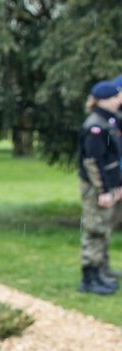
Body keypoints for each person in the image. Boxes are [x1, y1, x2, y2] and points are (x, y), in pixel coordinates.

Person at [77, 80, 122, 295]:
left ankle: (101, 272)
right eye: (116, 97)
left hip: (108, 185)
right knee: (94, 230)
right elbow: (93, 161)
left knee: (103, 229)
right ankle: (89, 277)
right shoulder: (96, 125)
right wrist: (104, 191)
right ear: (104, 100)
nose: (119, 100)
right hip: (96, 187)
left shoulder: (109, 121)